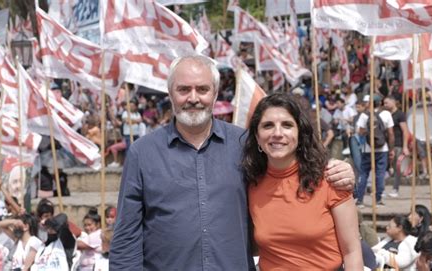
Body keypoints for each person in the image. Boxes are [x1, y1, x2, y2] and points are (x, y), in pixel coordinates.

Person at [110, 55, 356, 270]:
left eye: (202, 89)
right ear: (170, 93)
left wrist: (339, 169)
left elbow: (288, 167)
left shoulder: (244, 144)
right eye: (184, 89)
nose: (193, 98)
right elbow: (126, 238)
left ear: (215, 94)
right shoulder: (143, 153)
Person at [242, 93, 363, 270]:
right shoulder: (250, 184)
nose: (277, 133)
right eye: (268, 126)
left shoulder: (331, 178)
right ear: (257, 136)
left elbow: (352, 252)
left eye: (287, 125)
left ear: (300, 133)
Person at [355, 94, 395, 207]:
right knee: (380, 174)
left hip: (367, 149)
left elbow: (360, 132)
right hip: (383, 149)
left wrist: (369, 130)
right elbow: (391, 134)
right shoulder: (386, 114)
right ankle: (378, 200)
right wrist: (391, 149)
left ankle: (360, 200)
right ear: (380, 103)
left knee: (363, 174)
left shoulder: (364, 115)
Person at [383, 95, 410, 198]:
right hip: (386, 144)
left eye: (387, 103)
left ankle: (395, 189)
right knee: (385, 167)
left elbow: (405, 131)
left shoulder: (400, 114)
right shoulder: (385, 114)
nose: (385, 105)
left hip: (398, 144)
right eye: (384, 103)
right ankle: (382, 189)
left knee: (397, 167)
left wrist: (405, 146)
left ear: (393, 102)